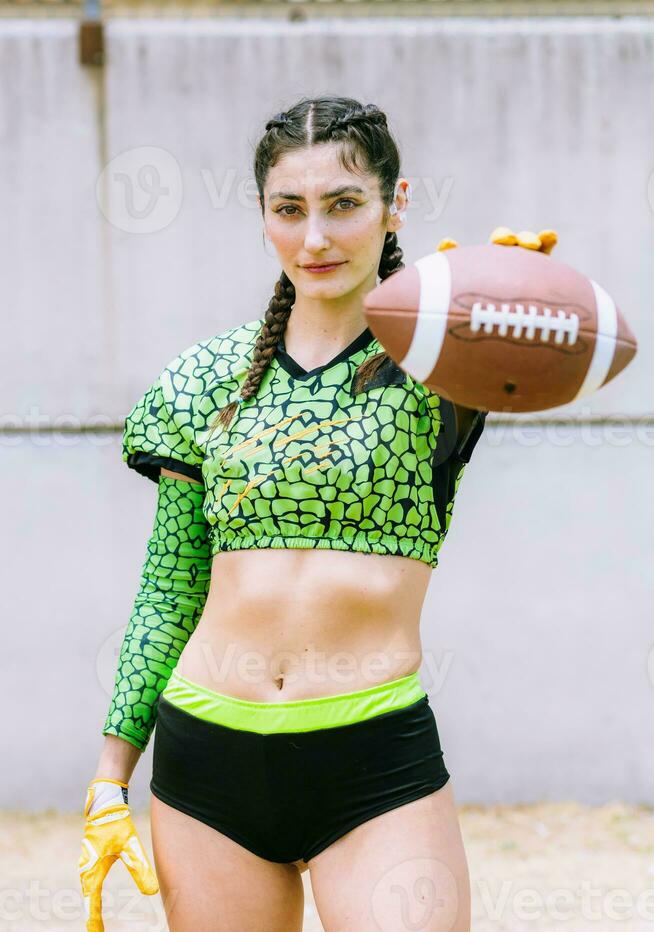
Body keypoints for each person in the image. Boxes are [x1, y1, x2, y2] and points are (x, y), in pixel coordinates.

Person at [79, 95, 493, 932]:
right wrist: (108, 774)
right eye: (289, 209)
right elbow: (170, 586)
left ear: (393, 205)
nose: (316, 238)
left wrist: (512, 297)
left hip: (374, 760)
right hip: (207, 762)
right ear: (264, 216)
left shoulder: (447, 362)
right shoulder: (202, 380)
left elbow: (541, 349)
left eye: (344, 205)